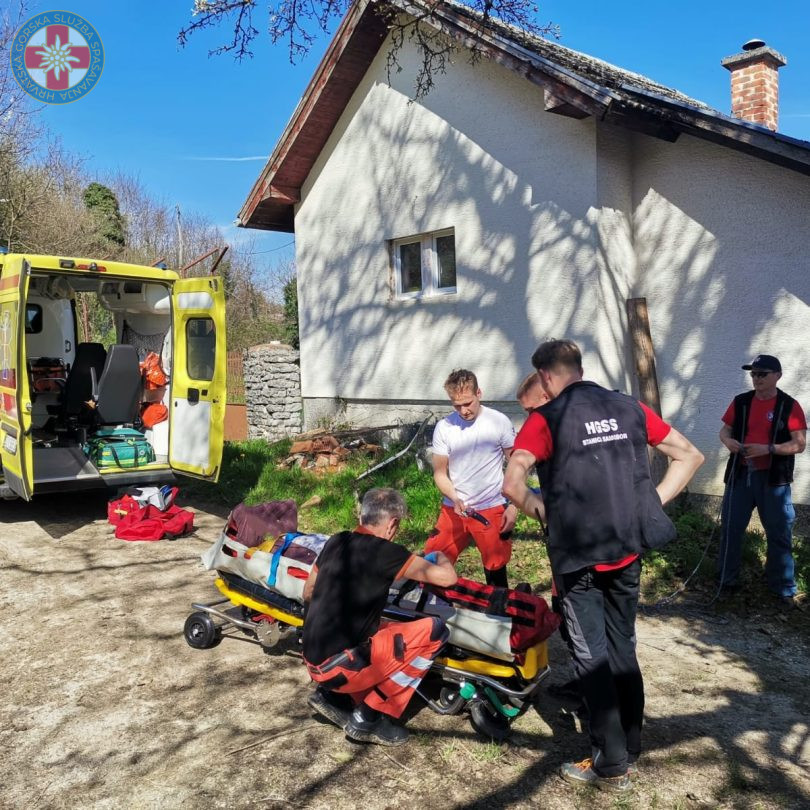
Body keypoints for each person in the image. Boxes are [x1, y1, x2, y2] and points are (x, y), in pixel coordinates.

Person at [503, 339, 704, 792]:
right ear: (578, 367)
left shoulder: (546, 418)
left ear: (546, 376)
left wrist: (543, 513)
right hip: (627, 552)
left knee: (591, 658)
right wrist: (650, 504)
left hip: (578, 561)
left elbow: (512, 483)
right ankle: (630, 741)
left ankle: (610, 765)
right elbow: (690, 455)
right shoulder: (629, 407)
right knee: (622, 647)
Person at [302, 488, 457, 746]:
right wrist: (441, 556)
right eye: (398, 527)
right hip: (343, 669)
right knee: (435, 631)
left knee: (383, 628)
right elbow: (448, 578)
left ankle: (335, 697)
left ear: (362, 516)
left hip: (313, 662)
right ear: (392, 523)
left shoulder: (337, 541)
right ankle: (370, 716)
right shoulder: (387, 552)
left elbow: (308, 592)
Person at [718, 354, 806, 604]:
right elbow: (724, 430)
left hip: (774, 480)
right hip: (740, 474)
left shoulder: (789, 405)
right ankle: (726, 581)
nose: (756, 378)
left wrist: (768, 449)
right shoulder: (741, 402)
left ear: (777, 376)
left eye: (762, 374)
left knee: (779, 532)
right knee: (731, 529)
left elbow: (799, 444)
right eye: (753, 374)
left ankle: (783, 588)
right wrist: (729, 442)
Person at [424, 369, 518, 587]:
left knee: (495, 568)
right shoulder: (445, 427)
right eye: (457, 405)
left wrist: (514, 505)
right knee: (431, 562)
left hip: (491, 507)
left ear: (479, 393)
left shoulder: (498, 422)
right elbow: (440, 473)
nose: (464, 411)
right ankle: (436, 605)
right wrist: (454, 498)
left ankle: (498, 606)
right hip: (454, 507)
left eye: (468, 403)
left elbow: (517, 466)